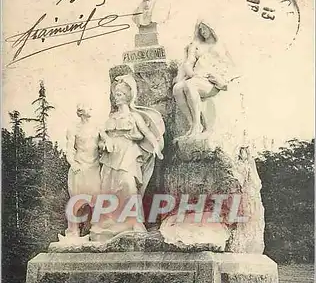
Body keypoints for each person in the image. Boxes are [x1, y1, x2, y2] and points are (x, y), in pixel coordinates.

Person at [96, 74, 164, 239]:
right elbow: (100, 140)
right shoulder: (111, 118)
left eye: (119, 95)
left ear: (127, 96)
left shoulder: (134, 116)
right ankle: (111, 223)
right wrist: (104, 144)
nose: (116, 98)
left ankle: (134, 222)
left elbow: (147, 132)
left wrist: (156, 146)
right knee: (108, 187)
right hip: (111, 156)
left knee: (128, 185)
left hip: (128, 153)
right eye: (115, 95)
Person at [173, 19, 237, 136]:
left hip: (211, 80)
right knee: (177, 88)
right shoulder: (196, 46)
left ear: (211, 28)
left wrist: (222, 80)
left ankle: (198, 124)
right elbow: (188, 63)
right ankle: (192, 123)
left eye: (204, 28)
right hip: (197, 76)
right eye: (200, 29)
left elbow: (232, 65)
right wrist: (192, 74)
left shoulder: (221, 46)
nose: (202, 31)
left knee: (190, 85)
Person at [65, 103, 102, 237]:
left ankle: (96, 230)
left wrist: (105, 144)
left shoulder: (97, 126)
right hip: (80, 167)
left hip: (94, 167)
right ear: (80, 111)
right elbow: (69, 150)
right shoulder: (73, 128)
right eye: (88, 107)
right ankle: (73, 232)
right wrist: (73, 164)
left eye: (91, 107)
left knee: (97, 199)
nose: (91, 109)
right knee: (76, 201)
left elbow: (103, 141)